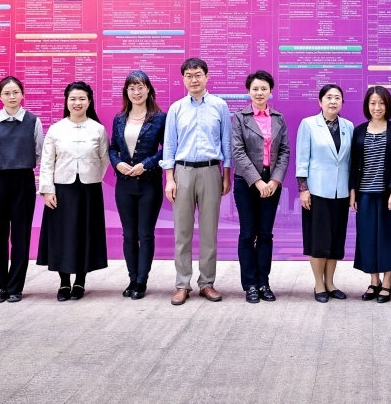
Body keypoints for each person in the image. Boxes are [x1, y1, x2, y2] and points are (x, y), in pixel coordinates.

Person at [163, 57, 232, 306]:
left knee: (209, 231)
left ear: (207, 76)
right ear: (183, 79)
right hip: (182, 173)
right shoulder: (176, 108)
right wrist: (169, 179)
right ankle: (182, 284)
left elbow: (226, 143)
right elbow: (169, 145)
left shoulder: (220, 106)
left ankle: (207, 283)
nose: (194, 79)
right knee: (182, 232)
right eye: (189, 75)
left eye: (198, 75)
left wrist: (226, 175)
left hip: (211, 171)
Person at [37, 82, 109, 301]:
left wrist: (93, 176)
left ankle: (80, 281)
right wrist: (47, 190)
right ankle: (64, 283)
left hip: (89, 190)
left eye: (82, 99)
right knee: (63, 235)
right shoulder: (56, 129)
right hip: (62, 190)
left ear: (89, 101)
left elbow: (104, 159)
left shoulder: (98, 129)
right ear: (66, 102)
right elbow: (47, 162)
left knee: (85, 234)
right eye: (73, 99)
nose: (77, 103)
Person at [0, 76, 44, 304]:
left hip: (23, 181)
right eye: (7, 93)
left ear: (22, 94)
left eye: (16, 92)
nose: (12, 97)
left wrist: (23, 164)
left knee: (21, 237)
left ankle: (15, 287)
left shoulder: (33, 121)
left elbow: (39, 152)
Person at [231, 70, 290, 304]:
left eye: (264, 88)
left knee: (265, 234)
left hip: (271, 181)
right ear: (248, 91)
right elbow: (238, 151)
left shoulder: (278, 118)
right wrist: (257, 181)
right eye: (255, 89)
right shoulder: (239, 117)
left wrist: (275, 180)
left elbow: (284, 151)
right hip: (246, 181)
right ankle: (250, 285)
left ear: (270, 91)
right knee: (247, 234)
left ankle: (264, 282)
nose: (259, 92)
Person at [109, 70, 167, 300]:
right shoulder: (119, 118)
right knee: (129, 234)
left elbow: (167, 150)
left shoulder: (159, 118)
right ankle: (132, 278)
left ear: (148, 89)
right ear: (126, 91)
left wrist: (147, 164)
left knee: (146, 233)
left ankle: (142, 281)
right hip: (124, 184)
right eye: (132, 88)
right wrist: (117, 163)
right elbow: (113, 148)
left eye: (140, 87)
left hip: (149, 184)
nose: (136, 92)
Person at [297, 84, 354, 303]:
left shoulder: (348, 126)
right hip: (317, 191)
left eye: (337, 97)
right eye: (328, 97)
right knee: (318, 241)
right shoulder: (309, 124)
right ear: (320, 102)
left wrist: (352, 191)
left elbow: (350, 161)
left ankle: (330, 283)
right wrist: (303, 189)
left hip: (341, 192)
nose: (333, 101)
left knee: (335, 241)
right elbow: (302, 159)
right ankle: (318, 284)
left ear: (342, 102)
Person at [350, 86, 391, 304]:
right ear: (367, 106)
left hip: (388, 195)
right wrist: (353, 193)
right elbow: (353, 165)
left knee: (389, 238)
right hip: (365, 194)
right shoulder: (359, 131)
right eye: (373, 103)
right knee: (368, 238)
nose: (377, 107)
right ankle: (374, 281)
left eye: (381, 103)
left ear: (388, 105)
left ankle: (387, 282)